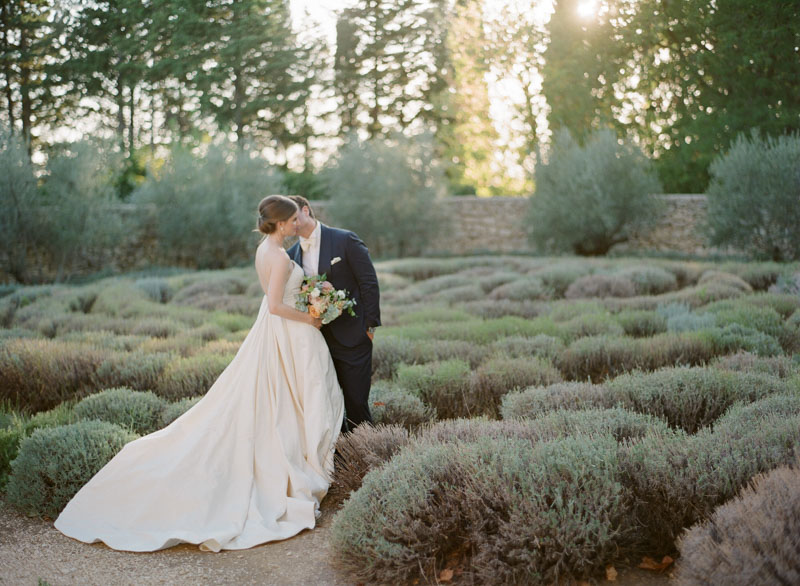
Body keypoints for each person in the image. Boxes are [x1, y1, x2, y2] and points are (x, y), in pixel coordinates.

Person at [54, 195, 344, 552]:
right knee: (289, 401)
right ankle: (295, 465)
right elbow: (275, 305)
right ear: (282, 223)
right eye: (292, 221)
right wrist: (312, 319)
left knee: (279, 401)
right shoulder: (281, 257)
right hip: (286, 332)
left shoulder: (262, 251)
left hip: (271, 333)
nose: (297, 224)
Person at [286, 196, 381, 432]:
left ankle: (368, 457)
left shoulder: (345, 239)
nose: (291, 223)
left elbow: (369, 282)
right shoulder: (290, 255)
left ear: (305, 210)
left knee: (357, 404)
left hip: (353, 336)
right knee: (326, 406)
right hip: (316, 341)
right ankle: (338, 462)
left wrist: (369, 328)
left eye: (293, 216)